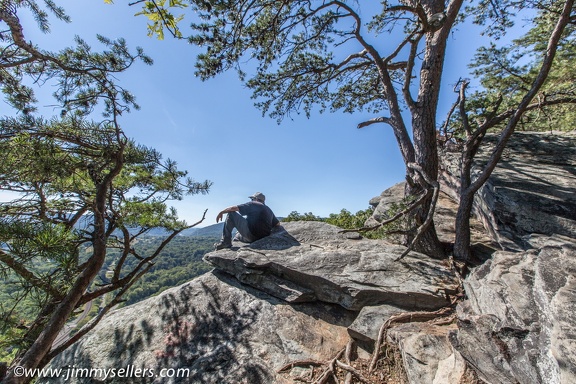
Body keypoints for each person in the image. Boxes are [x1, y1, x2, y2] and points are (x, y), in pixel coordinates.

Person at [214, 192, 280, 250]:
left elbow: (233, 208)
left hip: (252, 236)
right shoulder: (269, 210)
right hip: (262, 238)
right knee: (237, 235)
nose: (251, 200)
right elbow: (277, 224)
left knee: (231, 214)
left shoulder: (254, 204)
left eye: (252, 199)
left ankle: (225, 242)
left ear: (256, 199)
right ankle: (236, 238)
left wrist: (221, 212)